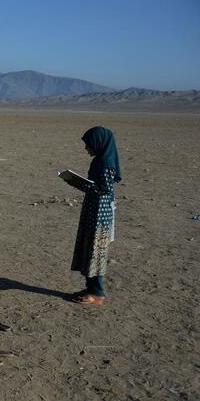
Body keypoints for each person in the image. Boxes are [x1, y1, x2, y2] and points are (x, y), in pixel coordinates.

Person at [67, 126, 121, 305]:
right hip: (94, 211)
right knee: (90, 250)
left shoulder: (106, 164)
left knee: (97, 252)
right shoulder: (100, 160)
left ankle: (97, 293)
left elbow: (103, 189)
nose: (86, 148)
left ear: (99, 143)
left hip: (100, 215)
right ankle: (90, 288)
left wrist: (78, 184)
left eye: (88, 144)